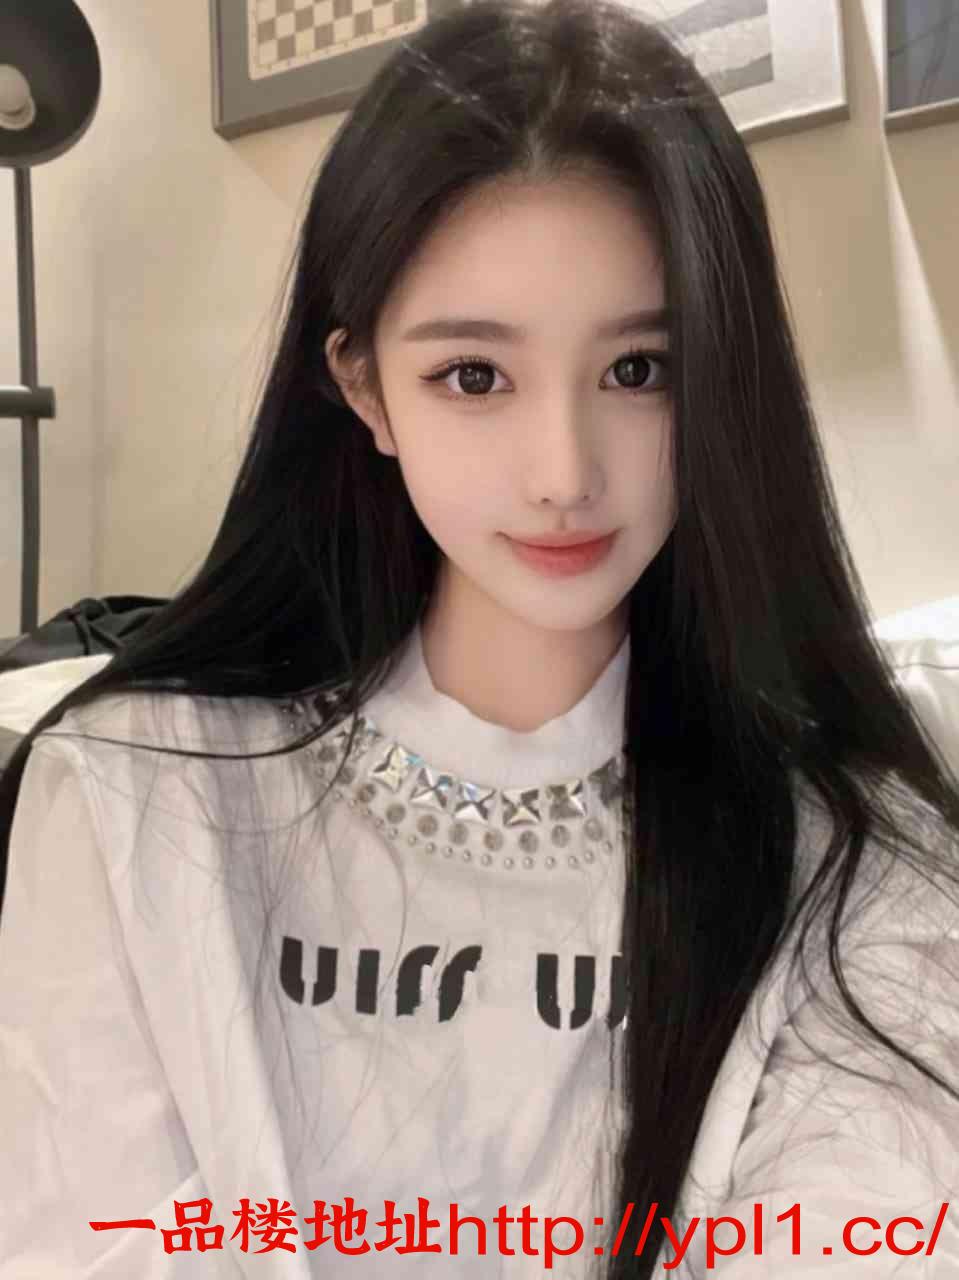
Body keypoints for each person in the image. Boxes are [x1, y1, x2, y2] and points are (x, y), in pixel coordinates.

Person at [1, 0, 958, 1275]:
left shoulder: (852, 849)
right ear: (363, 387)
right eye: (473, 375)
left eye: (638, 370)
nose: (562, 473)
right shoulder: (134, 791)